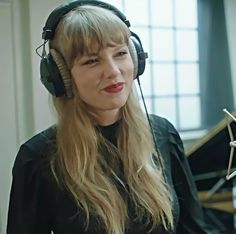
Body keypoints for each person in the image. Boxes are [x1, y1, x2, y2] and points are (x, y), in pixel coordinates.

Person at [7, 1, 208, 234]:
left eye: (121, 53)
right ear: (60, 76)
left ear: (136, 58)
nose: (113, 70)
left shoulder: (163, 134)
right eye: (92, 60)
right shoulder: (37, 158)